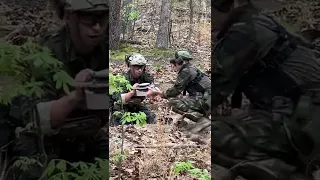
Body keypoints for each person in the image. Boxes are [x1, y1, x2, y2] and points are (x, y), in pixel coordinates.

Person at [198, 0, 320, 179]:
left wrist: (177, 104)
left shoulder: (243, 32)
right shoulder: (260, 21)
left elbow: (212, 93)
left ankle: (286, 171)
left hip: (301, 126)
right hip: (302, 120)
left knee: (206, 133)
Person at [4, 0, 109, 179]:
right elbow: (35, 120)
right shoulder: (46, 54)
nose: (97, 27)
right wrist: (75, 97)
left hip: (89, 136)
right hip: (45, 143)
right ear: (69, 17)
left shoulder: (107, 49)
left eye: (103, 17)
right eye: (87, 18)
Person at [147, 50, 211, 123]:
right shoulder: (192, 68)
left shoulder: (186, 71)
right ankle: (201, 116)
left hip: (207, 100)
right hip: (207, 98)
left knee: (172, 102)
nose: (174, 66)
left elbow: (175, 91)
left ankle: (202, 120)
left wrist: (159, 93)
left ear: (180, 62)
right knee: (184, 98)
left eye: (175, 63)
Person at [110, 53, 156, 125]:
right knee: (123, 121)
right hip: (122, 107)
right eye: (137, 67)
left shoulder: (144, 76)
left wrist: (151, 91)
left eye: (142, 67)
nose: (140, 70)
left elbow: (152, 84)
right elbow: (120, 99)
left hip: (135, 105)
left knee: (151, 117)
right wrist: (132, 92)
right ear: (130, 67)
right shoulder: (123, 79)